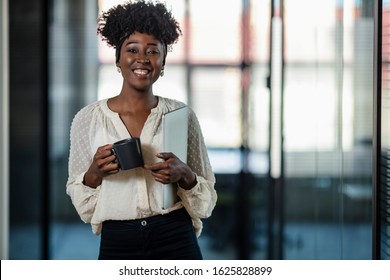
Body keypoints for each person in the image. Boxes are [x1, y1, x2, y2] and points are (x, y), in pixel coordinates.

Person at [66, 0, 217, 260]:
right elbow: (81, 200)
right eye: (132, 49)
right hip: (118, 241)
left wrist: (185, 174)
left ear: (163, 60)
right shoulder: (88, 119)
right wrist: (94, 173)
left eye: (153, 51)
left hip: (175, 235)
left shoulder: (181, 115)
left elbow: (207, 201)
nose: (142, 59)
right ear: (118, 59)